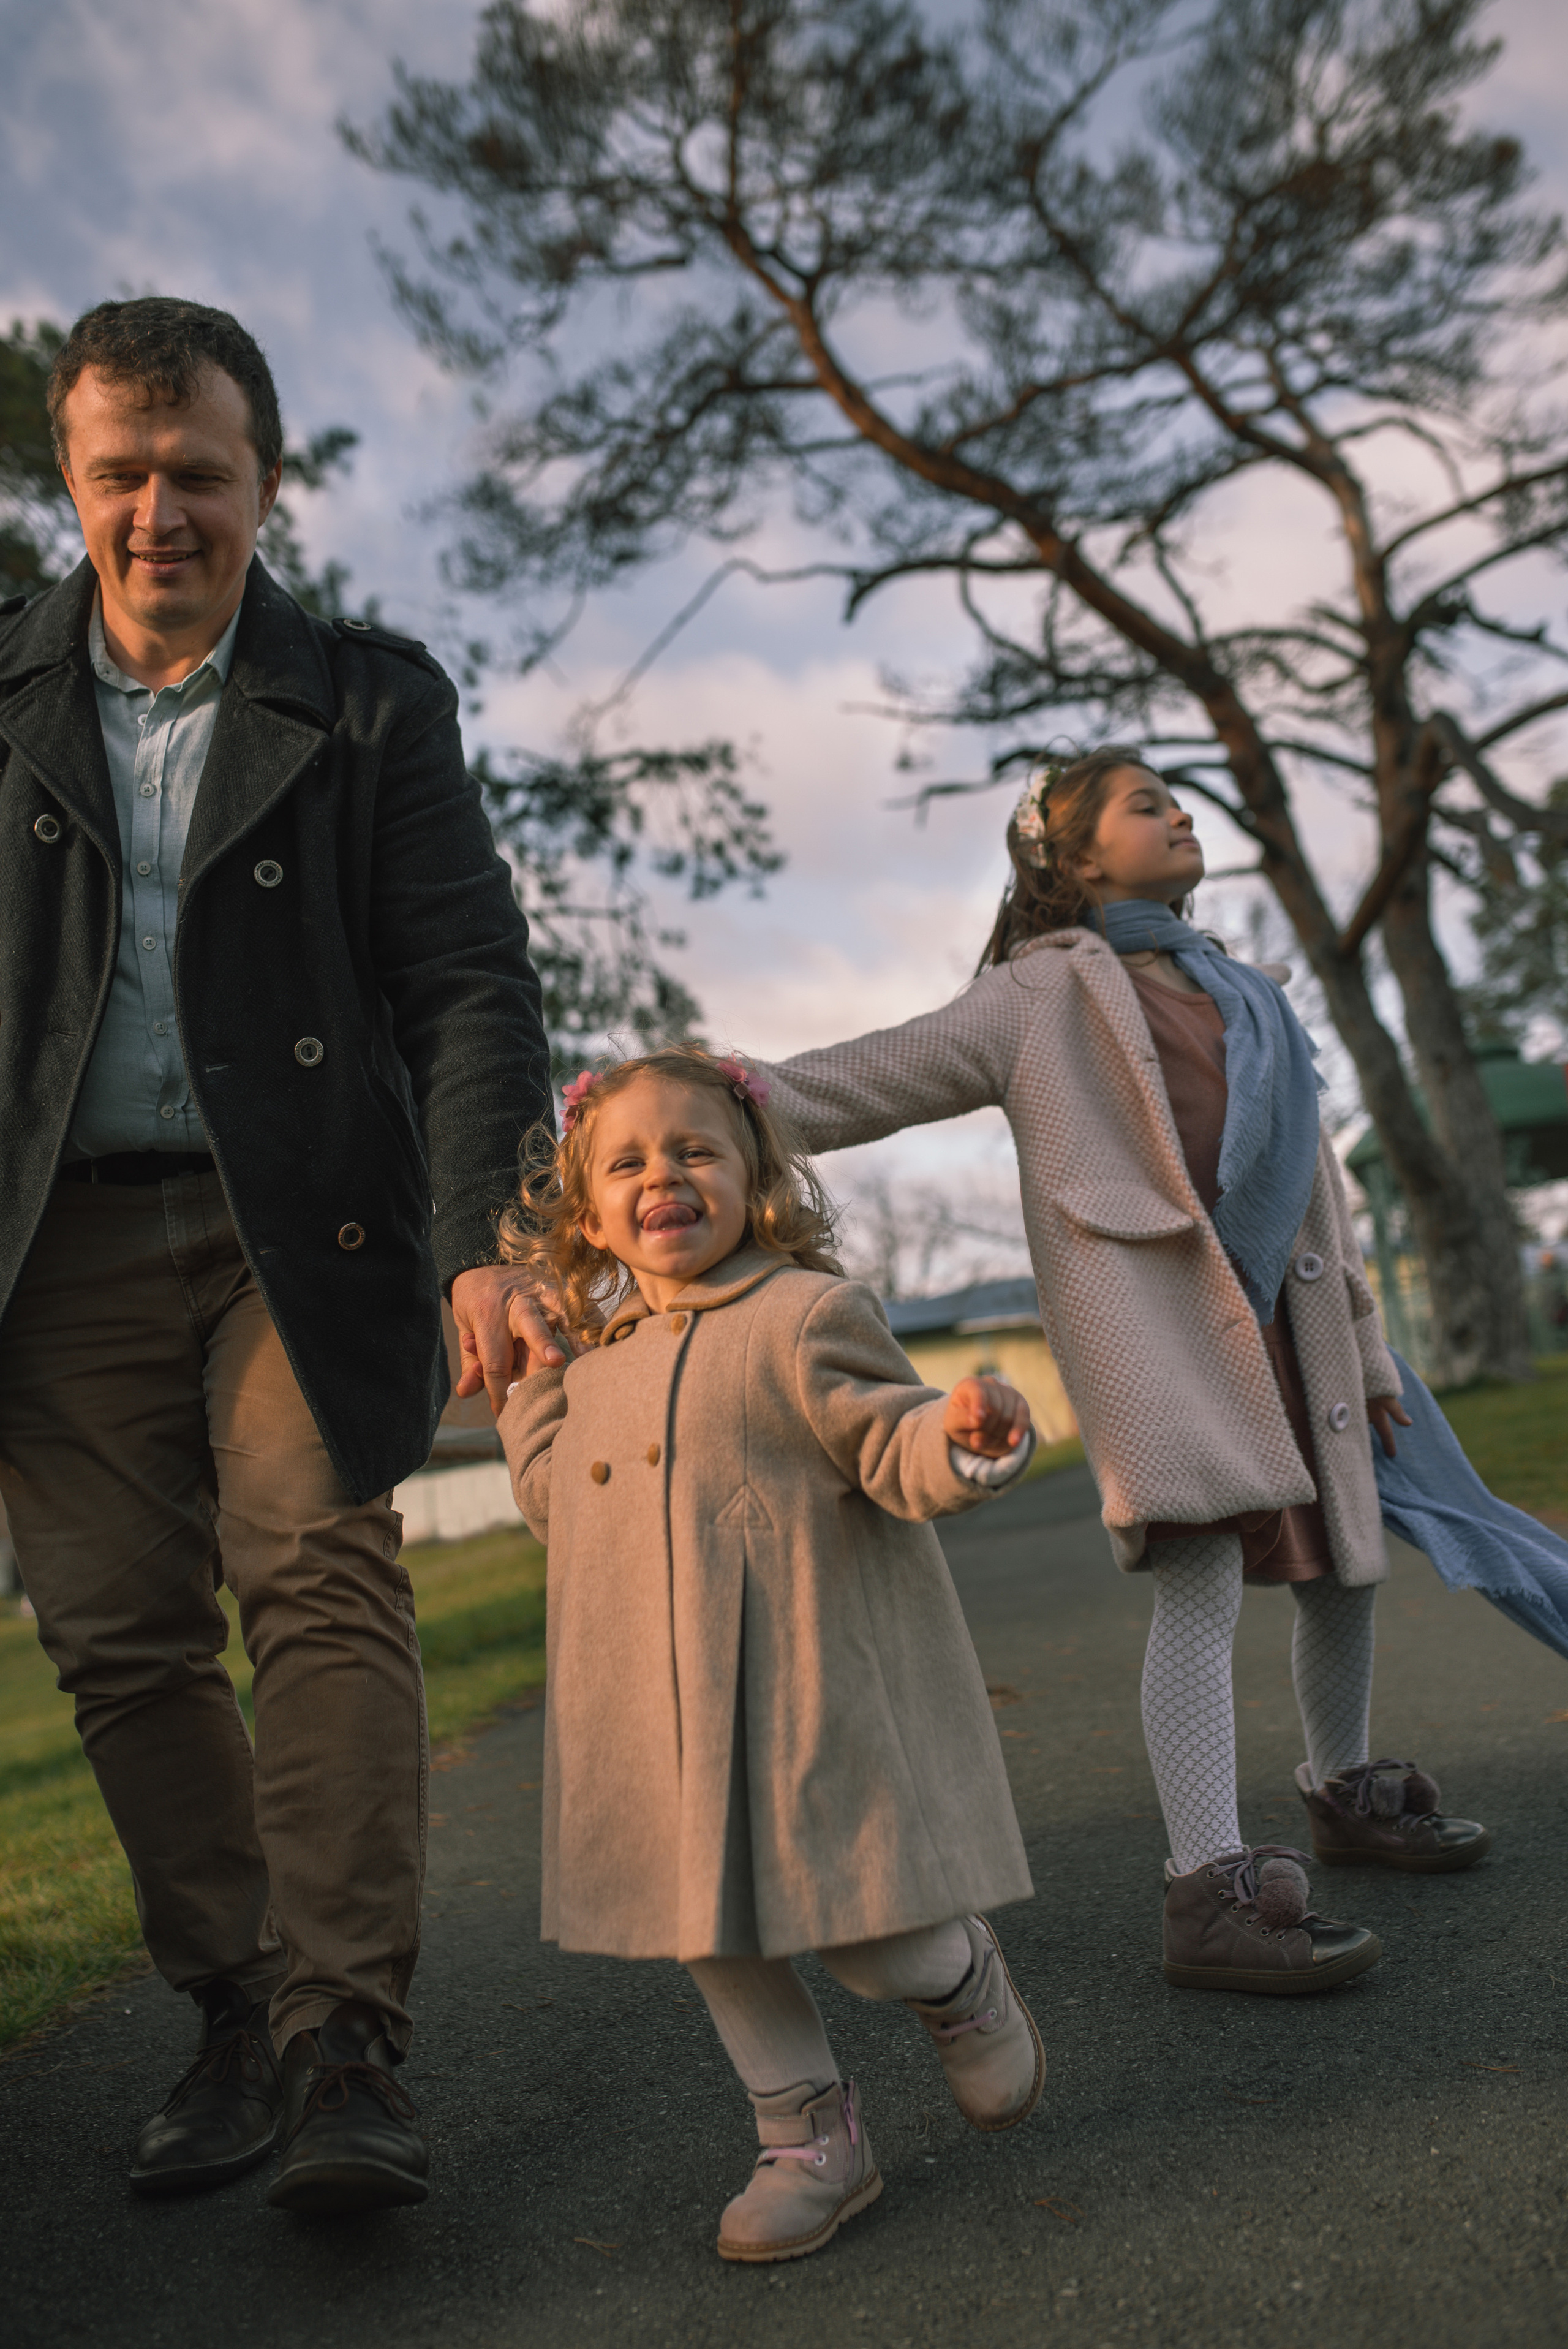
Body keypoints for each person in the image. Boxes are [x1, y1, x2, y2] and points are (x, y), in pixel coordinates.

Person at [0, 297, 556, 2212]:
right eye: (119, 474)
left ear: (267, 480)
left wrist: (489, 1234)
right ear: (69, 480)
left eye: (199, 475)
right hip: (50, 1240)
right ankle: (230, 2007)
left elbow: (469, 982)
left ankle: (343, 2040)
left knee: (318, 1579)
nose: (160, 512)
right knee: (115, 1635)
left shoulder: (374, 698)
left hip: (294, 1227)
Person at [737, 749, 1491, 1995]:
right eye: (1147, 805)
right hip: (1160, 1332)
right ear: (1073, 858)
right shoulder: (1035, 999)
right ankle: (1206, 1887)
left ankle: (1342, 1788)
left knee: (1341, 1567)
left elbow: (1318, 1192)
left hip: (1288, 1325)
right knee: (1194, 1578)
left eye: (1177, 800)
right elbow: (868, 1073)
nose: (1181, 812)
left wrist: (1360, 1344)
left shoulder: (1251, 994)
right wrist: (712, 1096)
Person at [496, 1046, 1044, 2263]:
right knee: (704, 1929)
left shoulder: (804, 1316)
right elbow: (558, 1512)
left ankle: (955, 1979)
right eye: (627, 1161)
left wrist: (958, 1438)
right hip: (654, 1719)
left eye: (694, 1150)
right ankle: (808, 2136)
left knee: (865, 1934)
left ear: (754, 1178)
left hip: (798, 1698)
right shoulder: (600, 1367)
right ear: (589, 1216)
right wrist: (534, 1392)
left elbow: (887, 1442)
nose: (663, 1175)